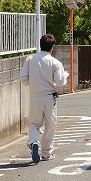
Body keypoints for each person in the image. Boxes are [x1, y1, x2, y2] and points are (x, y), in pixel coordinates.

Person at [20, 34, 69, 163]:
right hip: (49, 98)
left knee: (35, 123)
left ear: (40, 45)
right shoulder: (55, 62)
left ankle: (33, 141)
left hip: (35, 97)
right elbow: (59, 82)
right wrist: (65, 76)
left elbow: (23, 79)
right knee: (50, 125)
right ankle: (46, 153)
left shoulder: (30, 59)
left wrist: (34, 82)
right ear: (52, 47)